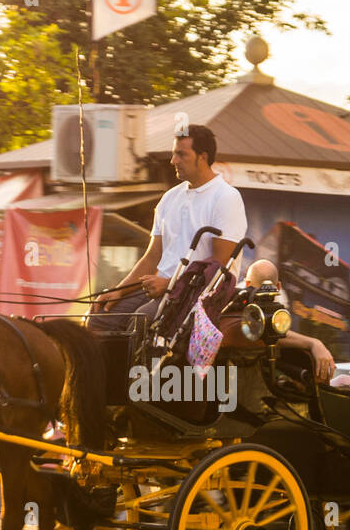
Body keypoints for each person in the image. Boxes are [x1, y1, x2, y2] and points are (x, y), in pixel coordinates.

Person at [91, 125, 245, 333]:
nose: (173, 161)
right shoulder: (170, 197)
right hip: (159, 289)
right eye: (174, 154)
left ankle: (136, 367)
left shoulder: (226, 197)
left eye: (181, 154)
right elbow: (152, 257)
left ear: (202, 157)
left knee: (140, 321)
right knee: (99, 317)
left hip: (195, 296)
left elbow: (219, 267)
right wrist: (119, 290)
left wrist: (171, 285)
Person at [234, 258, 336, 381]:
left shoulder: (232, 295)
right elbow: (275, 332)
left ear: (247, 283)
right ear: (278, 286)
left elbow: (276, 331)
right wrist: (314, 343)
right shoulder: (278, 296)